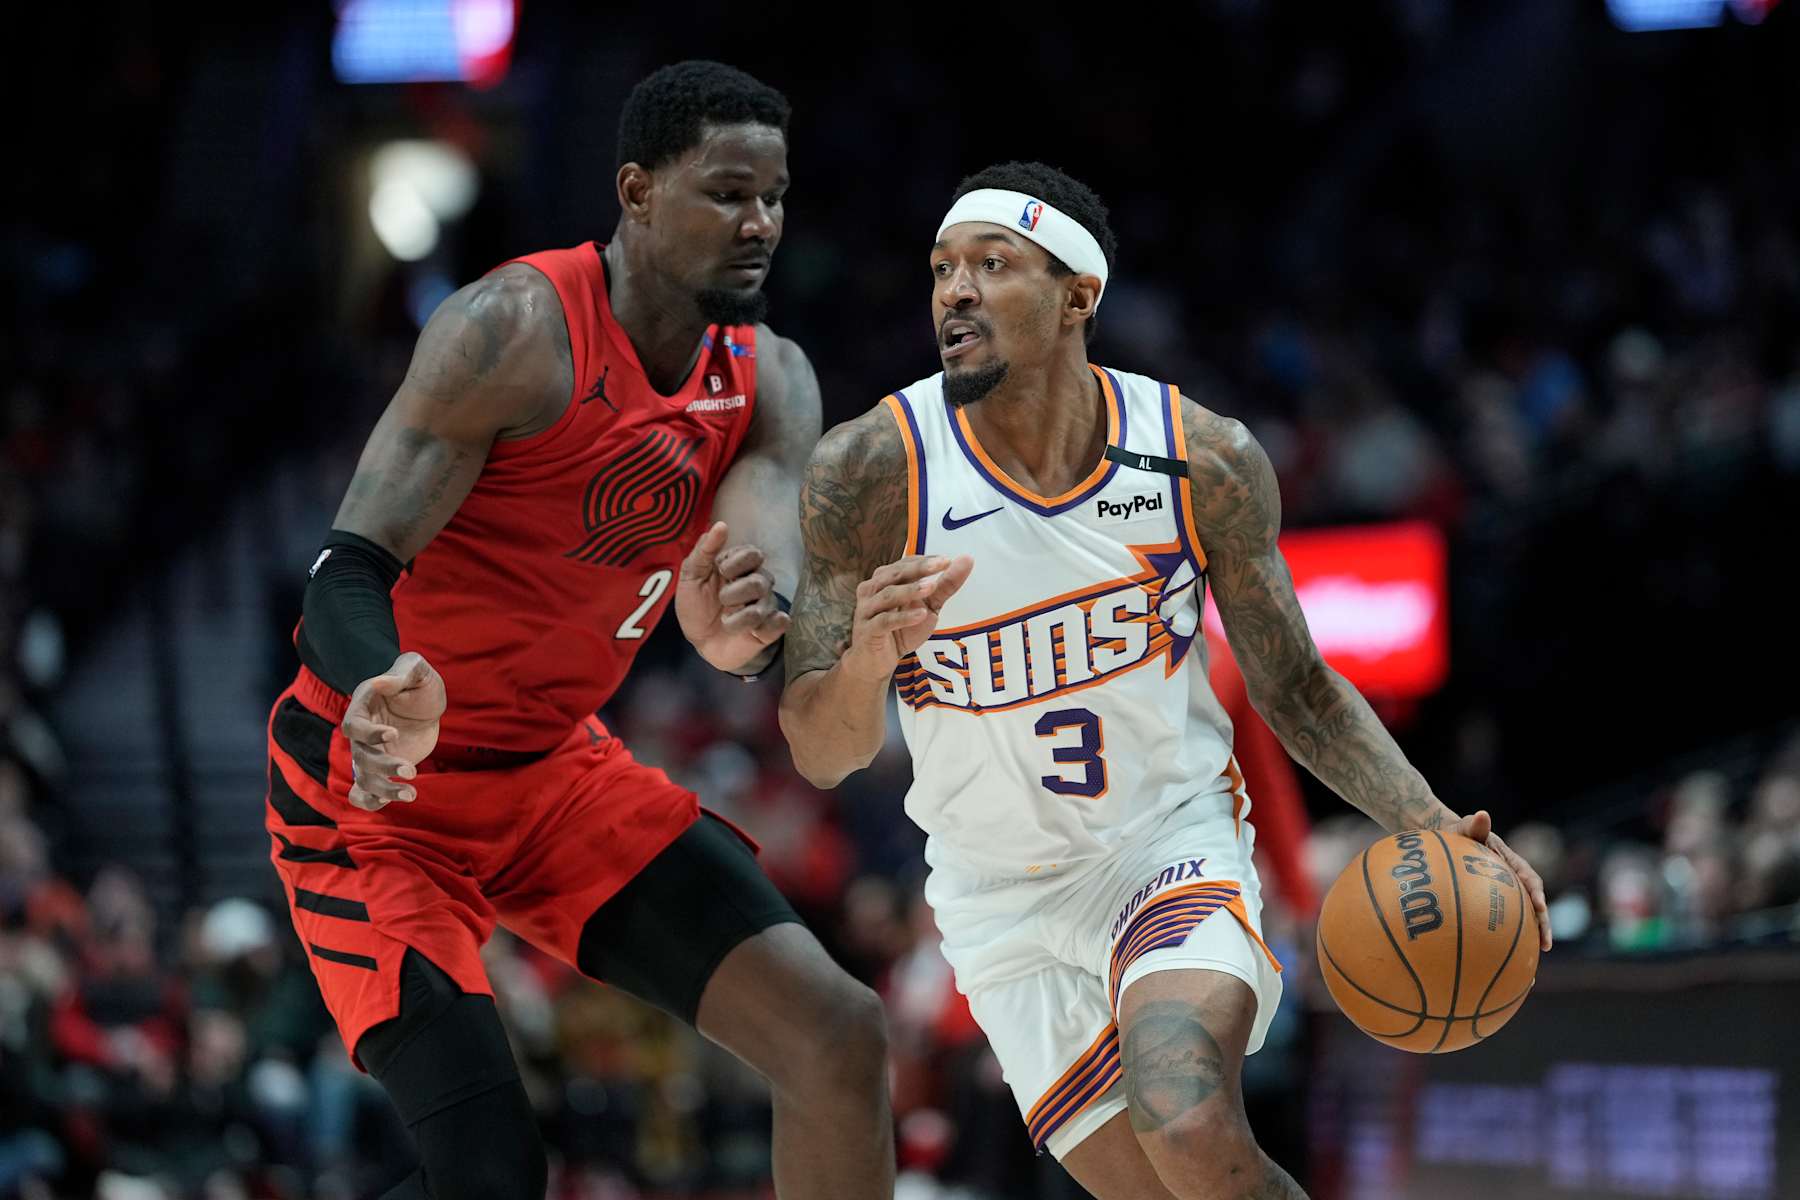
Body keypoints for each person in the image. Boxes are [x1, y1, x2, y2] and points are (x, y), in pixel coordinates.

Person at [778, 161, 1549, 1200]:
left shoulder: (1199, 460)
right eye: (941, 268)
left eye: (991, 264)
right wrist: (867, 656)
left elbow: (1298, 688)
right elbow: (821, 755)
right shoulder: (869, 472)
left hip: (1166, 853)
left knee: (1184, 1115)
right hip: (997, 906)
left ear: (1075, 298)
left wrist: (1430, 818)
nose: (953, 290)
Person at [265, 62, 892, 1200]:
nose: (759, 224)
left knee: (838, 1036)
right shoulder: (513, 329)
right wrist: (375, 681)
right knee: (493, 1174)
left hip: (552, 777)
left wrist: (741, 624)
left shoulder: (774, 383)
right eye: (726, 194)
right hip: (374, 796)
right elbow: (344, 573)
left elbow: (751, 583)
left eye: (775, 196)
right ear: (637, 192)